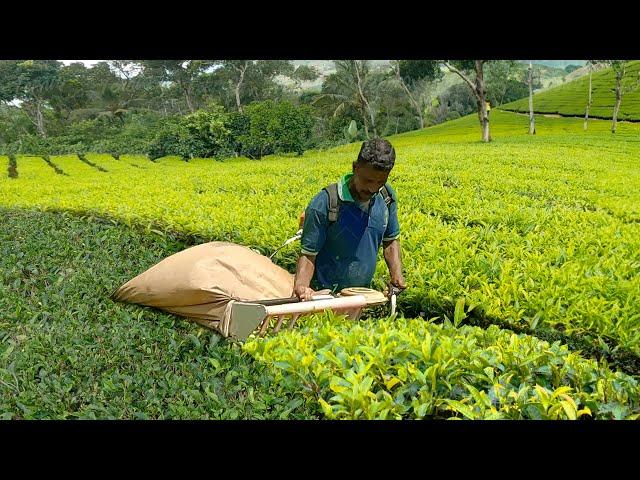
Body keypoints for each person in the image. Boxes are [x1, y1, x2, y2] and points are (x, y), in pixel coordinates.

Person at [293, 138, 406, 301]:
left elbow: (391, 240)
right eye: (367, 180)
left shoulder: (386, 196)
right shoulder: (324, 203)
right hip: (325, 299)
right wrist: (302, 287)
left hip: (362, 297)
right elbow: (308, 254)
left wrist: (396, 275)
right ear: (355, 168)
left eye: (380, 181)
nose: (372, 188)